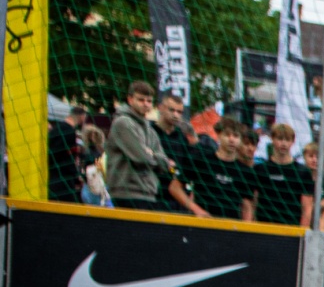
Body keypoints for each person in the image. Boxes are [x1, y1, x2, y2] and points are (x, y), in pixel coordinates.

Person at [105, 82, 202, 214]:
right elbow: (141, 158)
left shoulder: (150, 130)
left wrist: (153, 155)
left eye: (149, 101)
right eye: (141, 100)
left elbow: (164, 163)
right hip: (127, 193)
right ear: (130, 99)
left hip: (149, 193)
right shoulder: (123, 123)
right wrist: (154, 157)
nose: (145, 104)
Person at [179, 116, 260, 221]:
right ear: (218, 135)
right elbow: (175, 188)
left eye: (236, 136)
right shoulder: (202, 161)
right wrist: (196, 209)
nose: (231, 139)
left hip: (230, 226)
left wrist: (245, 228)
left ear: (240, 140)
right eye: (227, 135)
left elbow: (247, 206)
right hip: (201, 223)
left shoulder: (245, 171)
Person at [252, 122, 314, 227]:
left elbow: (307, 209)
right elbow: (253, 202)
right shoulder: (260, 169)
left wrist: (302, 232)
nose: (283, 143)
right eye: (280, 139)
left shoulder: (303, 172)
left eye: (287, 139)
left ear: (293, 141)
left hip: (291, 229)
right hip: (263, 228)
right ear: (272, 139)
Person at [48, 106, 85, 203]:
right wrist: (75, 177)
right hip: (63, 181)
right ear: (81, 117)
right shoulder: (69, 132)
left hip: (52, 177)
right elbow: (67, 157)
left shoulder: (56, 128)